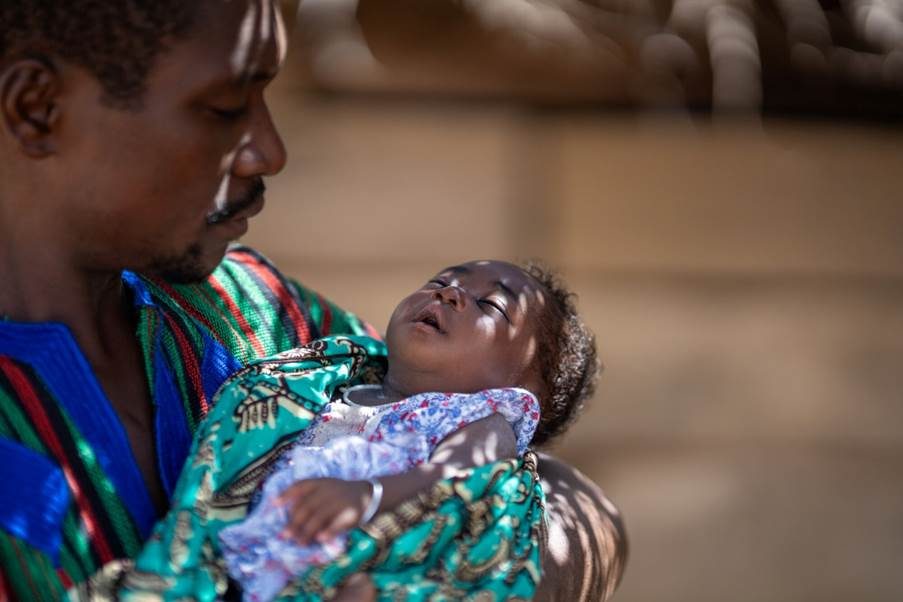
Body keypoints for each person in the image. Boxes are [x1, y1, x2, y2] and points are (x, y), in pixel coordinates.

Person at [0, 1, 626, 600]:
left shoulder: (248, 305)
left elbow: (572, 498)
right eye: (222, 107)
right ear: (37, 108)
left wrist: (483, 574)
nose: (269, 150)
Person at [129, 259, 596, 601]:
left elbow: (457, 474)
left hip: (370, 545)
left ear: (523, 391)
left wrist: (370, 495)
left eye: (490, 305)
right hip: (275, 550)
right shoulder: (335, 380)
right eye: (440, 281)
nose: (449, 293)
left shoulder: (483, 419)